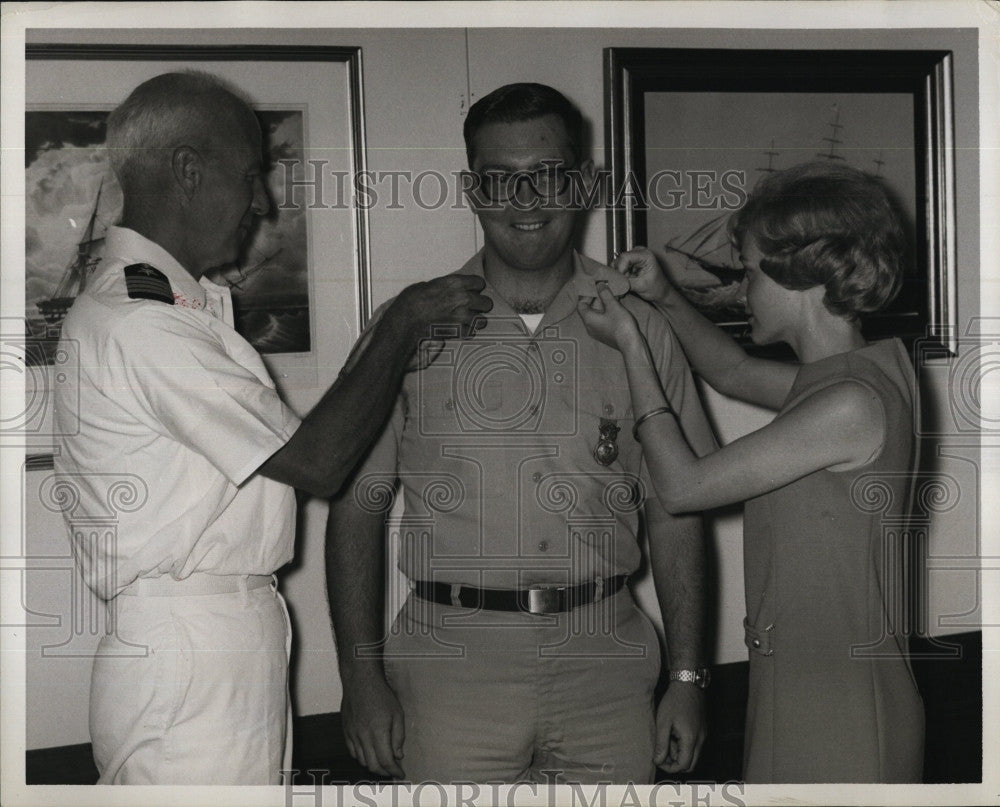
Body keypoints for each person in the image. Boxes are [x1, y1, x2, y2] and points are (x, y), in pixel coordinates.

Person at [52, 71, 491, 786]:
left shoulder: (167, 307)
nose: (261, 202)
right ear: (188, 171)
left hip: (210, 639)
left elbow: (298, 442)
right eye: (250, 175)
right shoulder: (145, 320)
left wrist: (385, 335)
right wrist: (404, 322)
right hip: (192, 644)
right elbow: (317, 463)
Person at [326, 83, 717, 784]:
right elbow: (357, 508)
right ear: (472, 191)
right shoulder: (409, 326)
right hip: (452, 669)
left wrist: (688, 675)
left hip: (606, 660)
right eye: (500, 180)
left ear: (586, 184)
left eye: (547, 175)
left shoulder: (639, 326)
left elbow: (675, 508)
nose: (526, 200)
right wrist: (360, 678)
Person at [577, 161, 925, 783]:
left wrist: (632, 344)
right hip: (804, 688)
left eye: (751, 273)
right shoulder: (864, 374)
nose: (742, 291)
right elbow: (731, 371)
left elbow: (682, 488)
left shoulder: (848, 405)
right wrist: (663, 297)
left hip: (841, 708)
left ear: (802, 275)